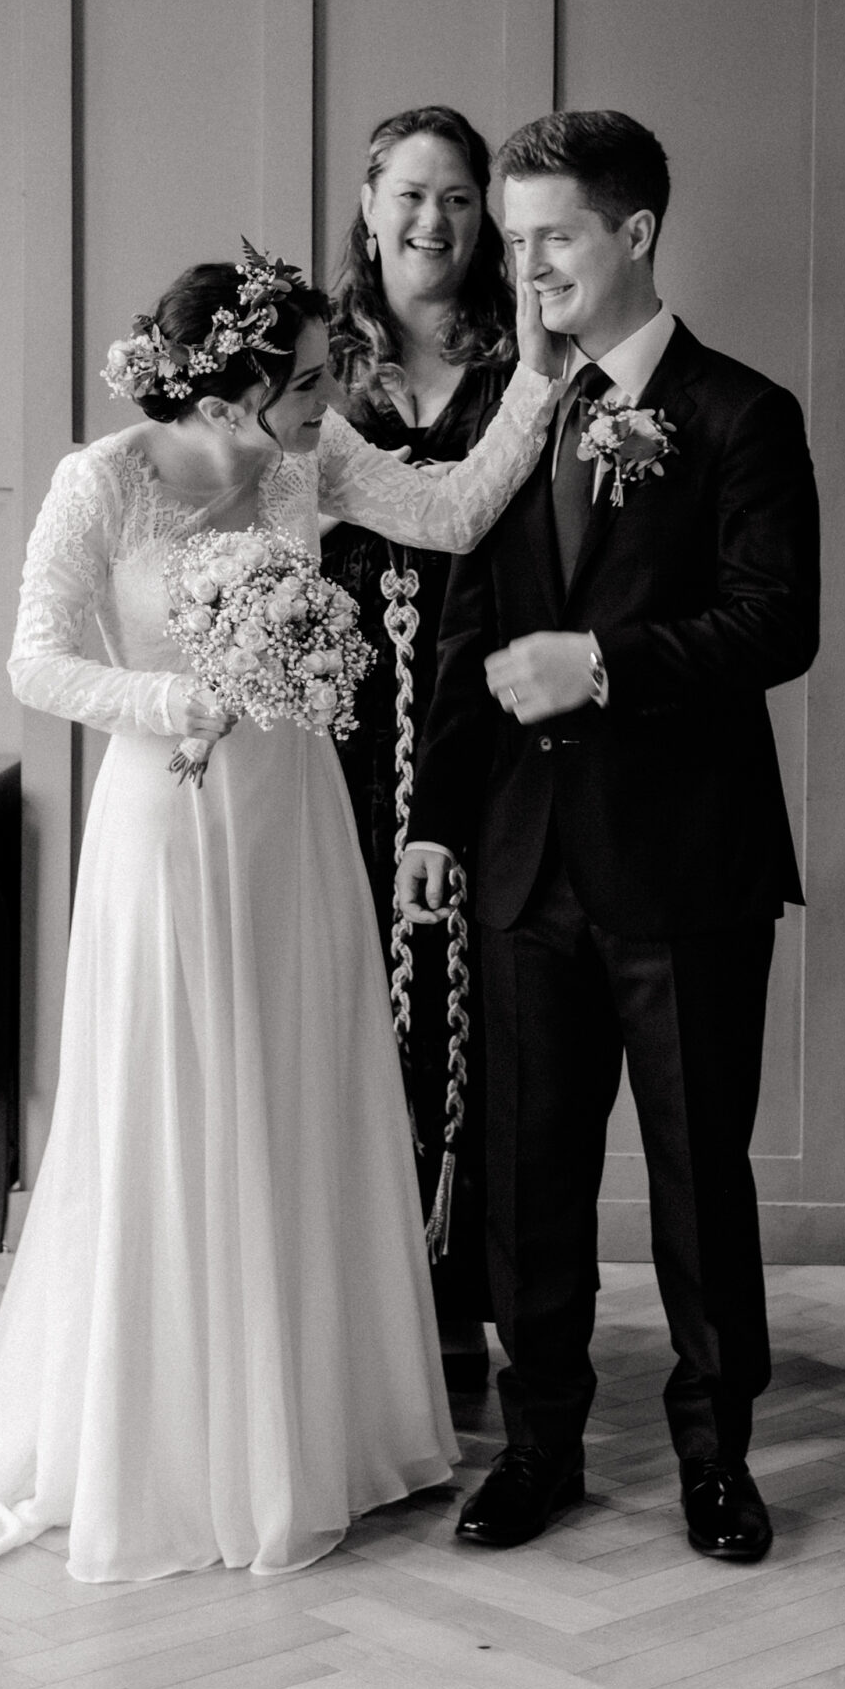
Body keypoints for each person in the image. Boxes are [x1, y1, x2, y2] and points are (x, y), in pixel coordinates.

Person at [0, 246, 558, 1602]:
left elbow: (449, 512)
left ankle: (311, 1430)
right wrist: (170, 700)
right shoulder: (102, 481)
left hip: (294, 828)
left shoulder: (310, 463)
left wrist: (541, 382)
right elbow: (35, 658)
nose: (329, 401)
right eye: (306, 382)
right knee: (172, 1098)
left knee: (293, 1092)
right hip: (166, 822)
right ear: (224, 395)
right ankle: (167, 1443)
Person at [397, 111, 820, 1564]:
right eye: (513, 240)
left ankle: (717, 1457)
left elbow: (777, 621)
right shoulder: (507, 414)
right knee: (529, 1182)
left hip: (687, 863)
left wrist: (602, 663)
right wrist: (436, 821)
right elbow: (464, 635)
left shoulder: (742, 413)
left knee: (699, 1175)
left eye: (553, 236)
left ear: (634, 233)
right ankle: (540, 1448)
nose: (525, 267)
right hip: (521, 864)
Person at [324, 106, 517, 1393]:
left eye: (456, 196)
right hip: (339, 729)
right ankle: (349, 1300)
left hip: (484, 719)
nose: (431, 221)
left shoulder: (525, 357)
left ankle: (457, 1294)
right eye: (410, 193)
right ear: (368, 201)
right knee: (344, 996)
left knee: (480, 1006)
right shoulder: (313, 362)